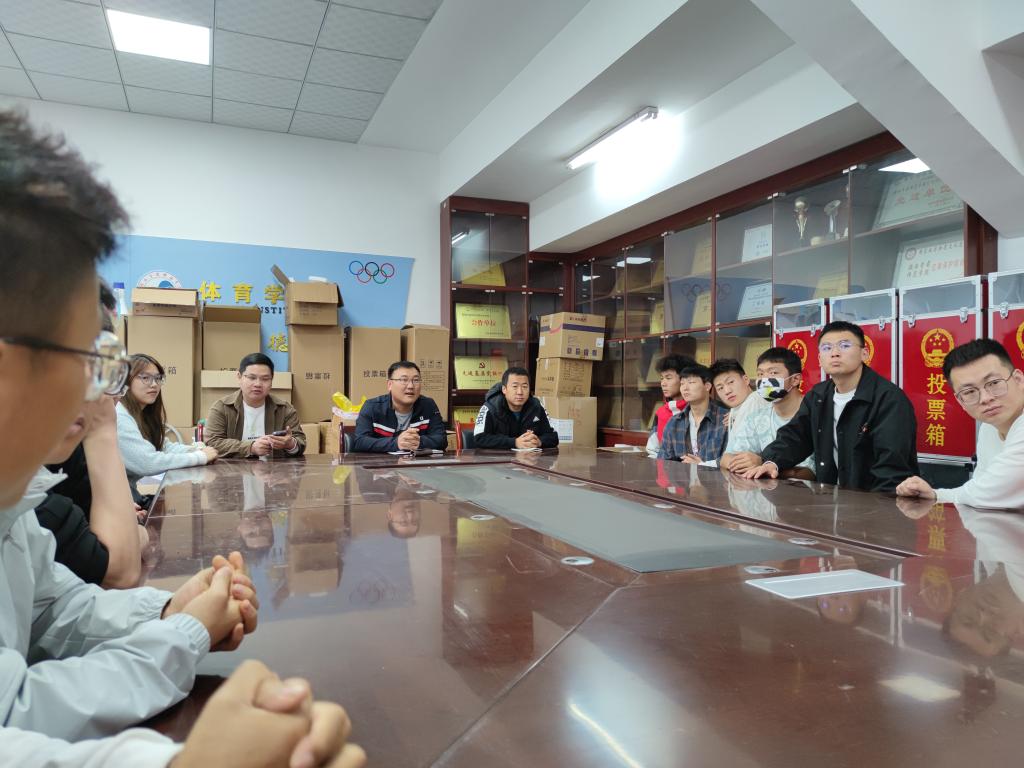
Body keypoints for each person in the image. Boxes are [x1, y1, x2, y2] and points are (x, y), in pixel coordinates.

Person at [0, 110, 363, 767]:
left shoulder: (13, 505)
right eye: (90, 358)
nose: (99, 391)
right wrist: (185, 652)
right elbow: (16, 713)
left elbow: (57, 614)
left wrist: (169, 608)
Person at [743, 320, 918, 491]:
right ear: (820, 358)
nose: (835, 353)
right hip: (830, 499)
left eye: (844, 345)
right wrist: (772, 462)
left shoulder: (889, 399)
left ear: (864, 353)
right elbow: (795, 437)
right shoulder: (818, 396)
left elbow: (891, 467)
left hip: (874, 502)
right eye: (827, 348)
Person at [36, 394, 148, 588]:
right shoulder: (24, 489)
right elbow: (117, 571)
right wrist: (101, 430)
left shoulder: (66, 452)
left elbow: (122, 538)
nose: (106, 396)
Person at [897, 338, 1024, 508]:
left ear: (1018, 379)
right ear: (960, 401)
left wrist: (939, 495)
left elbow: (991, 492)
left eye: (994, 383)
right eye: (969, 392)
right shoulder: (988, 428)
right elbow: (982, 486)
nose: (985, 398)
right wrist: (934, 495)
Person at [117, 353, 218, 488]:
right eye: (145, 378)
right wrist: (200, 457)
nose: (154, 384)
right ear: (125, 380)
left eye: (158, 378)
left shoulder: (142, 414)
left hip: (128, 493)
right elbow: (148, 463)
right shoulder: (120, 416)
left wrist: (196, 449)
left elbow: (163, 446)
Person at [720, 347, 816, 479]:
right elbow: (726, 459)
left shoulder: (814, 414)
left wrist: (762, 463)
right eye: (760, 374)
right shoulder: (757, 418)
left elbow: (810, 473)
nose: (764, 380)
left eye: (773, 373)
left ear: (795, 379)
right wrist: (746, 464)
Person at [205, 352, 306, 459]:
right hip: (232, 468)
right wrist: (251, 447)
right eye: (252, 378)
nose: (258, 384)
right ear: (239, 377)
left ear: (272, 380)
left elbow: (300, 442)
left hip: (274, 468)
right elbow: (212, 442)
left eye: (265, 379)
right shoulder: (222, 407)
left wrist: (290, 444)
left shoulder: (284, 409)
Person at [352, 360, 446, 452]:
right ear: (390, 385)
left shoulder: (428, 405)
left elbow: (442, 440)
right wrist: (396, 443)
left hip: (416, 462)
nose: (410, 386)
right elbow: (360, 442)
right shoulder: (372, 407)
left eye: (416, 380)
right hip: (382, 462)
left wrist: (419, 441)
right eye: (404, 380)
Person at [658, 362, 730, 464]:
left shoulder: (726, 419)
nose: (685, 388)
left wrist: (703, 465)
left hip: (716, 474)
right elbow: (663, 462)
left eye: (691, 382)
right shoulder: (674, 423)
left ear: (707, 386)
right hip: (681, 474)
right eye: (682, 383)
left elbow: (733, 459)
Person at [473, 366, 559, 450]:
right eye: (515, 386)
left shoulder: (537, 406)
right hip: (498, 458)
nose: (520, 392)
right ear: (504, 389)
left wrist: (539, 441)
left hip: (529, 458)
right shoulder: (490, 407)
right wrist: (514, 442)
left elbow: (553, 437)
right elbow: (479, 438)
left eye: (524, 387)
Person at [645, 354, 692, 456]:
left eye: (668, 378)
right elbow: (653, 450)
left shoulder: (696, 410)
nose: (663, 383)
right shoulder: (660, 413)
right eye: (662, 378)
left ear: (684, 379)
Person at [710, 357, 769, 434]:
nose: (727, 391)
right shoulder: (733, 414)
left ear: (746, 380)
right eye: (720, 388)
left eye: (731, 382)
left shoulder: (761, 400)